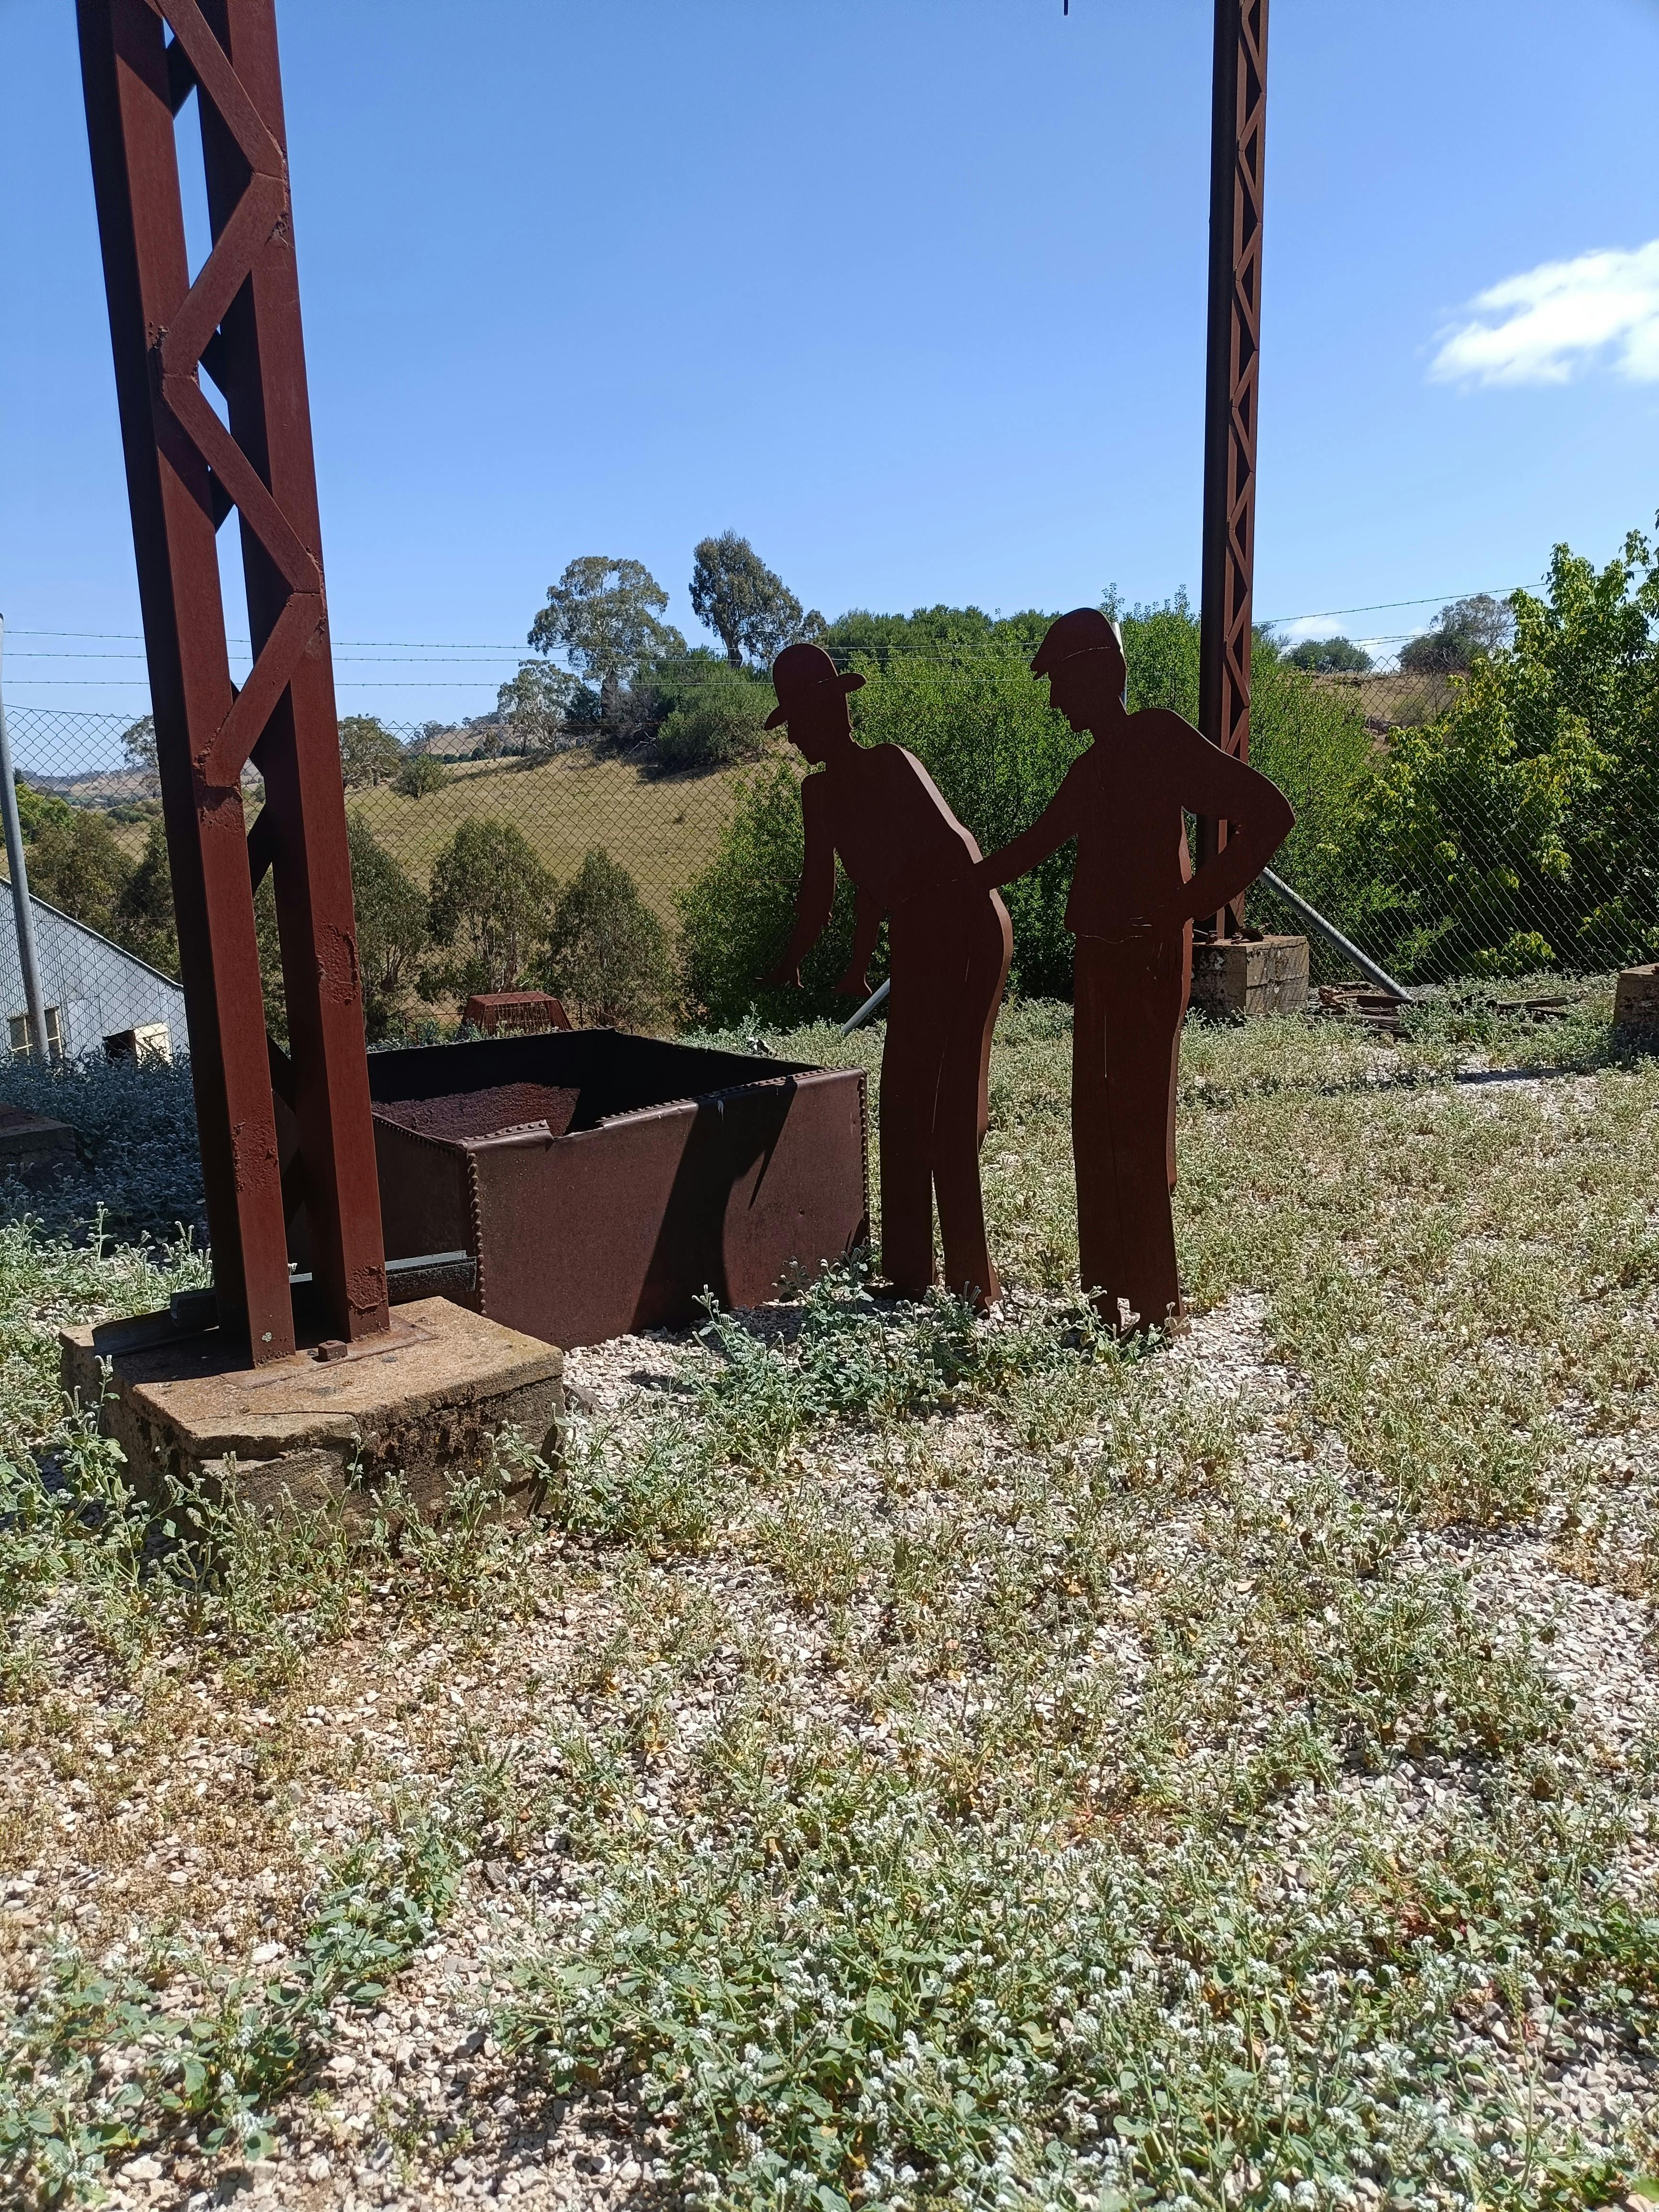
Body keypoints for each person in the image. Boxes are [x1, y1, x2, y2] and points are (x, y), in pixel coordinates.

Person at [973, 607, 1294, 1332]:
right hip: (1099, 958)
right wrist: (958, 882)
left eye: (1060, 682)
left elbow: (1268, 814)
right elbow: (1035, 844)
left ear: (1099, 674)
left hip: (1146, 959)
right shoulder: (1092, 769)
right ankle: (1105, 1297)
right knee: (1095, 1118)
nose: (1054, 701)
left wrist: (1186, 907)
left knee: (1141, 1123)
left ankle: (1154, 1298)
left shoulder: (1155, 738)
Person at [761, 641, 1012, 1308]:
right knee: (903, 1101)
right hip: (919, 934)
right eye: (793, 725)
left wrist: (941, 933)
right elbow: (843, 892)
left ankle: (969, 1279)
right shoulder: (821, 795)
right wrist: (831, 962)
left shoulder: (892, 766)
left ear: (839, 713)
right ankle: (908, 1272)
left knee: (950, 1107)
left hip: (965, 926)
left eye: (808, 719)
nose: (801, 737)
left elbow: (956, 855)